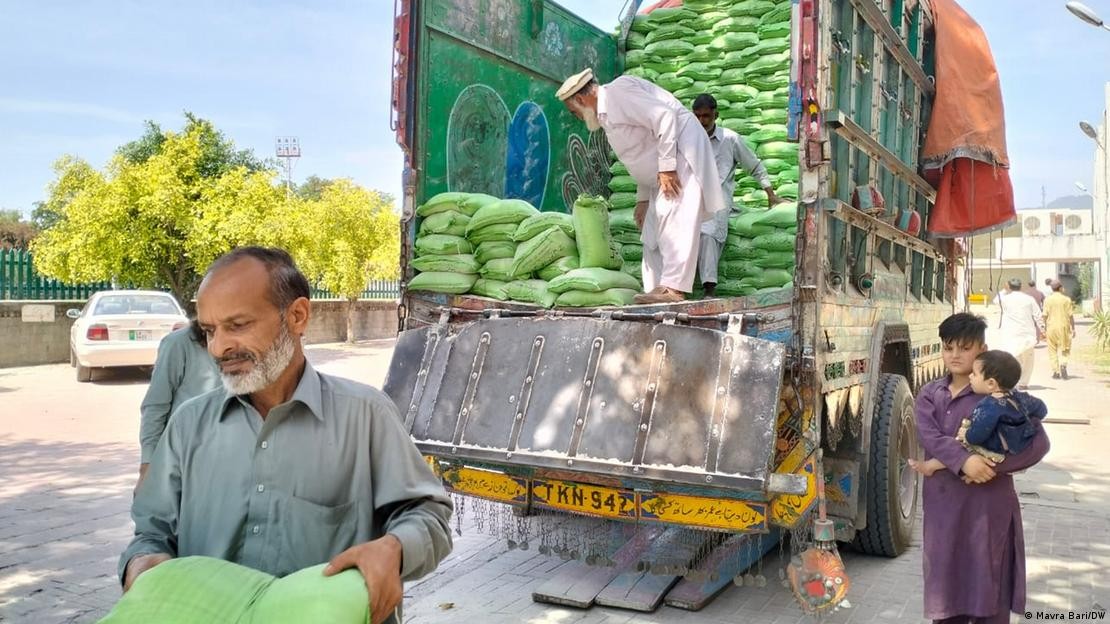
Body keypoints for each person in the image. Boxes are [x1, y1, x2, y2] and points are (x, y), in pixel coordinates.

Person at [119, 247, 452, 624]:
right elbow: (152, 531)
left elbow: (428, 515)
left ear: (297, 316)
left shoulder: (366, 415)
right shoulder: (188, 424)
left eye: (237, 325)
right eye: (209, 331)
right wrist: (141, 563)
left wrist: (394, 549)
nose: (218, 347)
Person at [912, 313, 1049, 624]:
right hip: (944, 506)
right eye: (948, 348)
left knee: (990, 584)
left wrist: (990, 465)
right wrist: (964, 462)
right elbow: (930, 437)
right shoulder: (931, 394)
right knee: (947, 587)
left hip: (989, 508)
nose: (955, 355)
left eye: (965, 348)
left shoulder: (1003, 395)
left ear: (982, 350)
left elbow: (1039, 444)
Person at [557, 68, 725, 304]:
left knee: (674, 216)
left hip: (680, 150)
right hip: (661, 167)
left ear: (581, 99)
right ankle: (657, 289)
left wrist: (668, 167)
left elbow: (664, 117)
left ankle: (674, 289)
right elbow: (642, 152)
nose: (576, 116)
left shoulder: (618, 93)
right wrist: (643, 199)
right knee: (651, 231)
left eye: (573, 111)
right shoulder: (605, 115)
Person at [690, 93, 784, 297]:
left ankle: (709, 288)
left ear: (716, 115)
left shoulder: (730, 139)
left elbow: (754, 166)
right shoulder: (688, 139)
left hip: (717, 202)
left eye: (706, 116)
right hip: (689, 200)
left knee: (708, 234)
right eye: (697, 116)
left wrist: (770, 194)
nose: (701, 121)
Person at [910, 349, 1046, 472]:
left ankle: (930, 466)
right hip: (1018, 445)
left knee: (961, 447)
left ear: (991, 383)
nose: (970, 377)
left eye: (974, 374)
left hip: (996, 449)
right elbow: (1041, 409)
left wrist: (967, 435)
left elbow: (977, 435)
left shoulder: (989, 406)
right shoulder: (1018, 396)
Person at [136, 321, 220, 490]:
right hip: (186, 461)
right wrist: (147, 465)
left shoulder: (248, 342)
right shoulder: (178, 343)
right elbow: (155, 406)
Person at [993, 278, 1043, 389]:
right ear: (1021, 287)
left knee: (1013, 359)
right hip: (1027, 335)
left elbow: (995, 300)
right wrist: (1043, 330)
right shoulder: (1029, 299)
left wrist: (1004, 290)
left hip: (1011, 334)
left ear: (1009, 287)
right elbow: (1038, 315)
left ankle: (1013, 382)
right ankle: (1023, 383)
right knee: (1028, 361)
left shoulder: (1005, 299)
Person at [1042, 279, 1076, 380]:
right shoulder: (1066, 299)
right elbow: (1070, 315)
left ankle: (1056, 372)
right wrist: (1073, 328)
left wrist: (1043, 328)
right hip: (1063, 327)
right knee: (1065, 348)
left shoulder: (1047, 300)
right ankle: (1063, 364)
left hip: (1051, 327)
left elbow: (1044, 315)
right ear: (1060, 288)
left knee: (1052, 350)